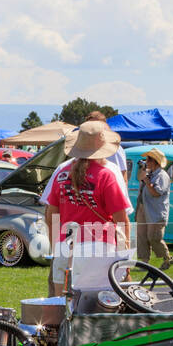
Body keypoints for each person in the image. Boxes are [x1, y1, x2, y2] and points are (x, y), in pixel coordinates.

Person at [42, 120, 131, 297]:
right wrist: (124, 257)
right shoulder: (106, 175)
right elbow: (122, 220)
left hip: (65, 246)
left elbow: (51, 216)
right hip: (99, 247)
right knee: (96, 307)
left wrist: (56, 250)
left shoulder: (61, 173)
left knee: (62, 307)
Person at [135, 149, 173, 270]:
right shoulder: (149, 173)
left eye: (148, 160)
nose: (146, 162)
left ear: (155, 161)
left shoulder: (162, 175)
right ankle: (144, 263)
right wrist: (143, 172)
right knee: (141, 236)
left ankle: (167, 257)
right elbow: (139, 180)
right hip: (143, 208)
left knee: (154, 237)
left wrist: (146, 180)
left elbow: (156, 193)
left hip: (155, 212)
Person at [85, 110, 127, 175]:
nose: (93, 129)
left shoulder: (114, 149)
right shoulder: (83, 148)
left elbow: (122, 177)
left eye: (96, 126)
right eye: (89, 126)